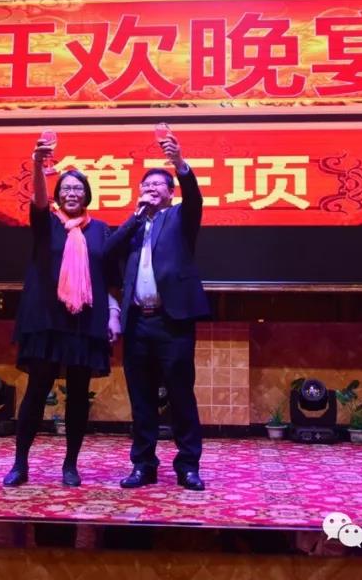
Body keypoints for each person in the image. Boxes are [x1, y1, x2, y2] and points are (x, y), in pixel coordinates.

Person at [4, 137, 120, 488]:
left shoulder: (101, 230)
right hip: (47, 320)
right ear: (58, 194)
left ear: (87, 195)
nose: (72, 193)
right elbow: (39, 200)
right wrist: (38, 166)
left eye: (78, 188)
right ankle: (20, 463)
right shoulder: (47, 223)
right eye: (66, 188)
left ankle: (71, 464)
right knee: (37, 390)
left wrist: (113, 312)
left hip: (84, 321)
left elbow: (107, 278)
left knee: (78, 395)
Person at [105, 129, 210, 491]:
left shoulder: (181, 217)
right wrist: (136, 217)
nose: (150, 188)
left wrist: (179, 162)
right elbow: (107, 252)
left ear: (170, 192)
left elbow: (194, 196)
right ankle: (143, 465)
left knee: (180, 395)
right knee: (142, 399)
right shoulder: (134, 225)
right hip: (138, 323)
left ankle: (188, 466)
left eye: (156, 185)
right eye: (145, 185)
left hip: (172, 322)